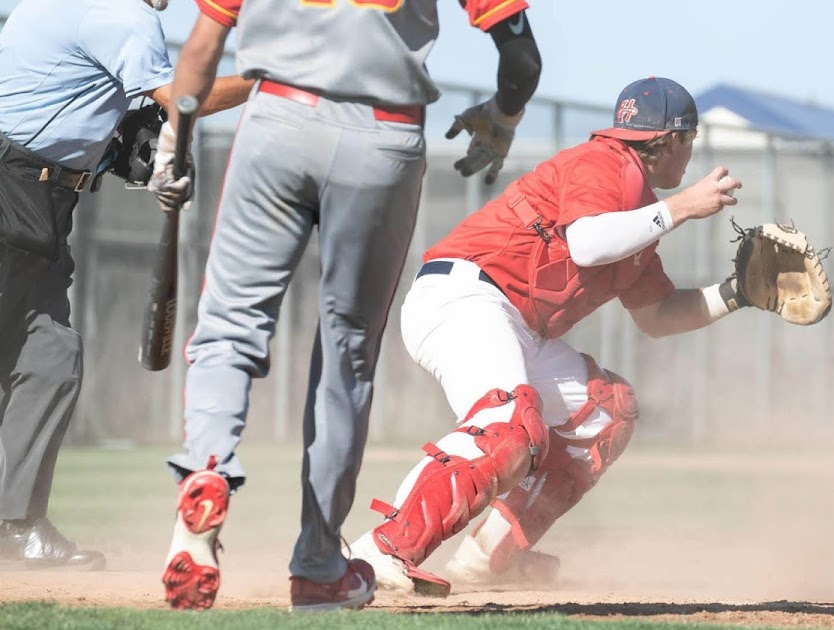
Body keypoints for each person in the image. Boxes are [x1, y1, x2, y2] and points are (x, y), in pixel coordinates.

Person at [152, 0, 544, 612]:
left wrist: (174, 139)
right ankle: (316, 565)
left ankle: (207, 471)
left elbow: (202, 50)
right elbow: (521, 59)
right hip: (384, 135)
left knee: (231, 326)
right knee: (347, 357)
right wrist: (501, 115)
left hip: (277, 117)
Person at [344, 76, 756, 596]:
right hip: (465, 297)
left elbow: (657, 316)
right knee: (508, 424)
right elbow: (586, 243)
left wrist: (739, 292)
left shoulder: (635, 210)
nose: (689, 154)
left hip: (513, 322)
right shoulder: (604, 163)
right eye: (690, 140)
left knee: (606, 411)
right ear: (672, 139)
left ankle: (489, 557)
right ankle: (381, 549)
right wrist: (681, 208)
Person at [0, 0, 250, 572]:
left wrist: (112, 143)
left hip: (38, 199)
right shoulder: (121, 13)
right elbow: (184, 101)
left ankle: (15, 525)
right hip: (13, 188)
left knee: (51, 358)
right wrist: (274, 84)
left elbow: (57, 94)